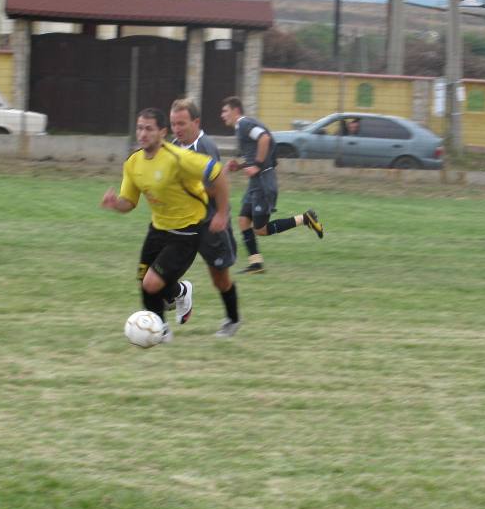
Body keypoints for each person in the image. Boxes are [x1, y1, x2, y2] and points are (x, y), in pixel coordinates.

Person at [101, 107, 231, 342]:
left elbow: (218, 173)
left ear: (162, 132)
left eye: (149, 129)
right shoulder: (133, 162)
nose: (143, 134)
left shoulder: (178, 158)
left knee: (152, 283)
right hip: (158, 228)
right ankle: (167, 317)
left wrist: (221, 213)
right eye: (140, 128)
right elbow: (129, 202)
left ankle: (160, 330)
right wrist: (115, 204)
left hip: (187, 230)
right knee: (144, 282)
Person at [219, 96, 324, 275]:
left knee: (260, 229)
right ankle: (256, 264)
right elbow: (261, 149)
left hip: (263, 183)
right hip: (256, 183)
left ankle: (305, 218)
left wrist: (257, 165)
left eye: (225, 111)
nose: (222, 115)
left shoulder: (243, 124)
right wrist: (241, 166)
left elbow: (264, 138)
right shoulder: (242, 126)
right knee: (243, 220)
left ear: (235, 110)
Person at [170, 98, 242, 337]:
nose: (177, 129)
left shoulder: (205, 147)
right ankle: (177, 296)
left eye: (182, 124)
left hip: (210, 223)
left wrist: (220, 214)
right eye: (174, 124)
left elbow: (216, 187)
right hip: (183, 222)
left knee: (220, 278)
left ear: (196, 122)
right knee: (161, 269)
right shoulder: (173, 146)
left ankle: (233, 319)